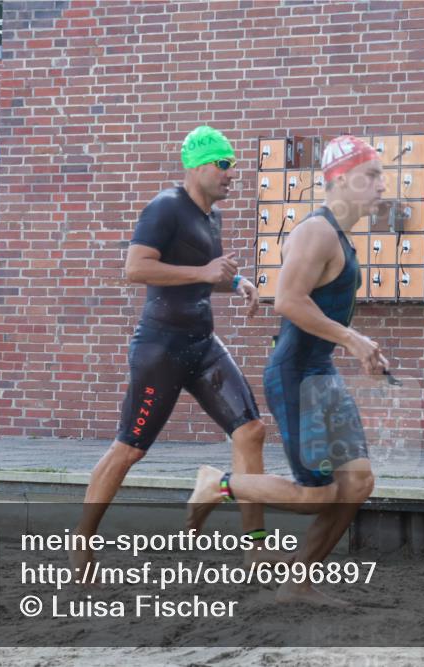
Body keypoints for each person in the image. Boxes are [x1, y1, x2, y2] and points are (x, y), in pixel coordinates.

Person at [186, 135, 387, 606]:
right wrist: (353, 338)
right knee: (315, 494)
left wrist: (360, 347)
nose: (382, 185)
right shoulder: (315, 232)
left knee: (357, 483)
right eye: (372, 175)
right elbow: (290, 300)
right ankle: (216, 484)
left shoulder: (339, 235)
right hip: (297, 374)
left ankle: (298, 582)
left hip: (321, 371)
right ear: (341, 179)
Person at [70, 126, 274, 577]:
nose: (231, 175)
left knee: (251, 431)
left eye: (232, 166)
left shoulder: (211, 219)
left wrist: (236, 283)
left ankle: (255, 551)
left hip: (202, 344)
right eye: (223, 165)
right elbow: (136, 268)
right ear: (198, 166)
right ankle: (82, 544)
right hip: (161, 348)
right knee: (129, 448)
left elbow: (203, 275)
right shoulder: (165, 208)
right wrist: (206, 270)